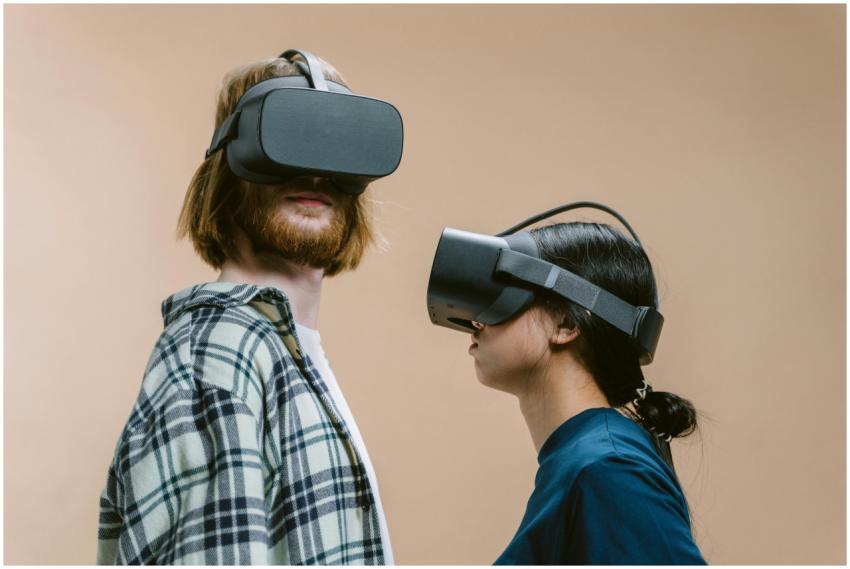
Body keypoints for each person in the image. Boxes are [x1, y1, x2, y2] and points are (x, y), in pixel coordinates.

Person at [97, 52, 394, 565]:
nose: (315, 171)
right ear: (228, 165)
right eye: (287, 139)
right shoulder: (222, 351)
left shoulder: (281, 351)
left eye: (336, 144)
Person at [467, 221, 706, 564]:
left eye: (506, 295)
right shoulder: (582, 462)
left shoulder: (608, 468)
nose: (475, 320)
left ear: (566, 323)